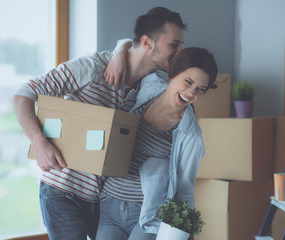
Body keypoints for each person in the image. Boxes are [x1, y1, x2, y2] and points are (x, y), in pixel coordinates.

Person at [11, 7, 186, 240]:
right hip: (63, 192)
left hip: (103, 200)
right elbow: (23, 95)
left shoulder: (147, 88)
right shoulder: (93, 68)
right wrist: (38, 141)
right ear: (147, 42)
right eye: (174, 44)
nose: (179, 51)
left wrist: (121, 48)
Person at [96, 47, 218, 240]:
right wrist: (119, 52)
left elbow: (184, 190)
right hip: (109, 203)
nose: (191, 92)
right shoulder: (150, 83)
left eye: (200, 89)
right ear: (173, 73)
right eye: (188, 81)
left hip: (148, 216)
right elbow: (135, 50)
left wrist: (185, 232)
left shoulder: (190, 136)